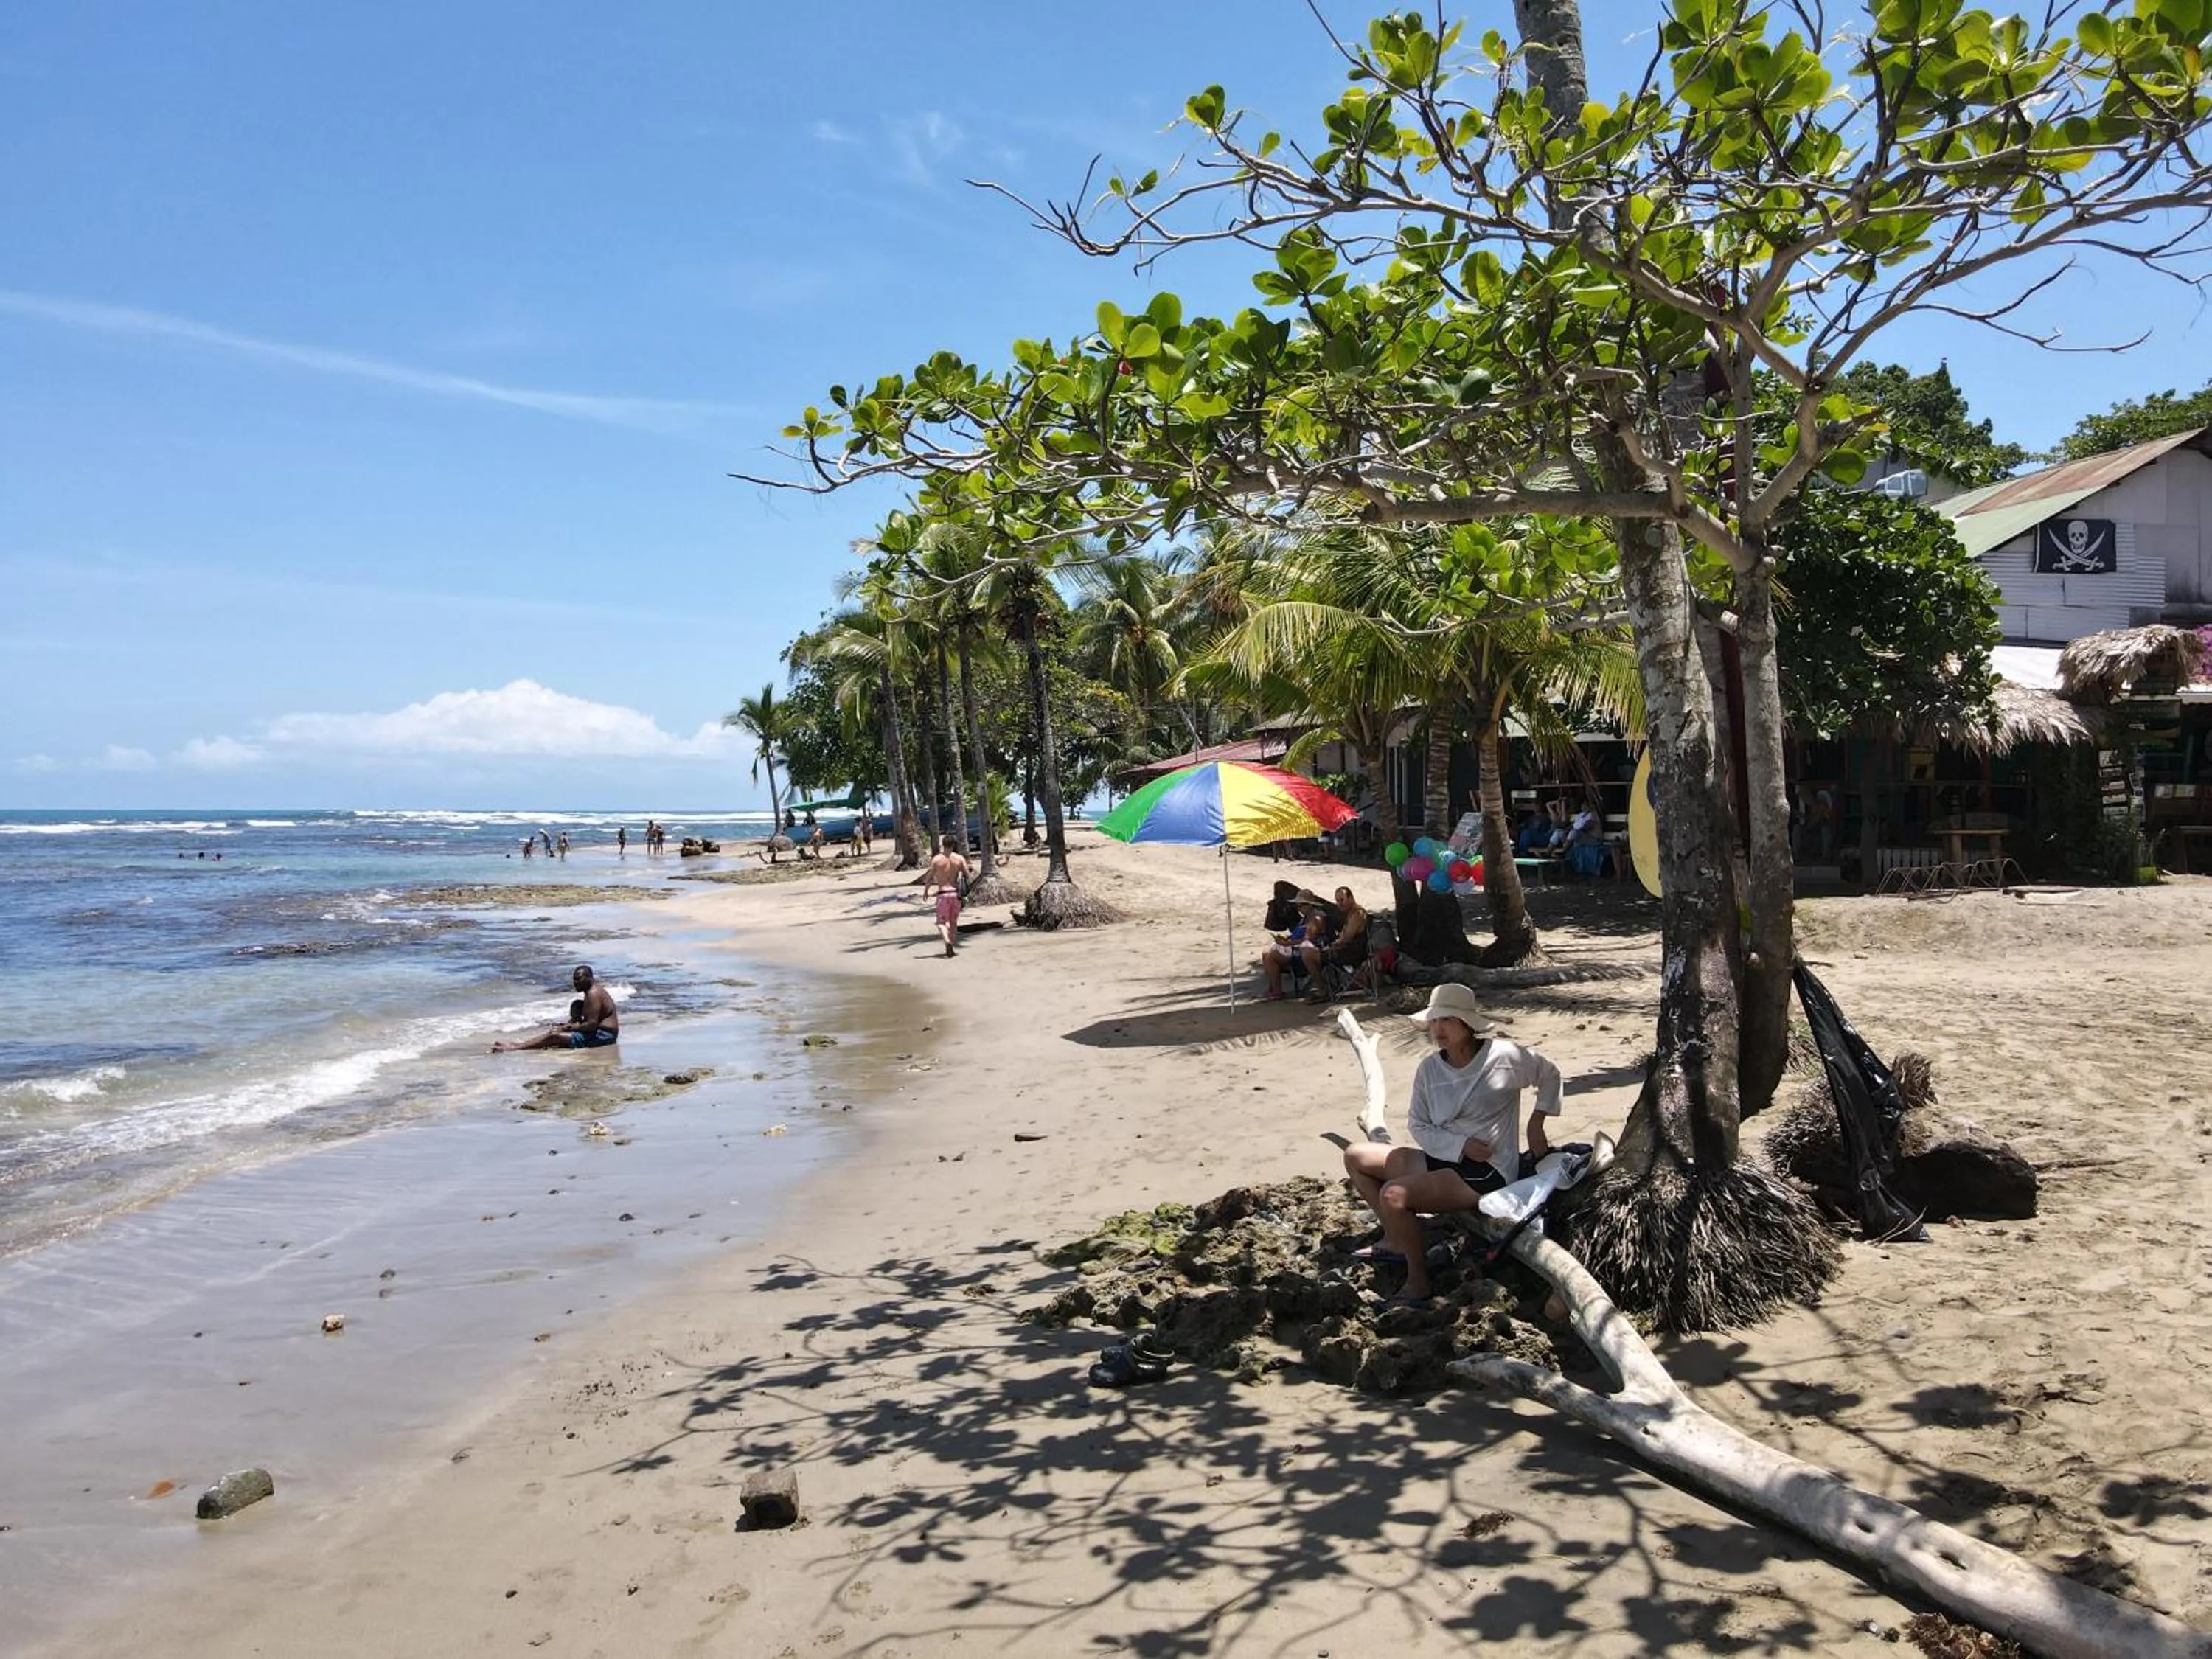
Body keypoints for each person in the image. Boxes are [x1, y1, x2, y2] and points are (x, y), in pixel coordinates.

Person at [1340, 981, 1562, 1307]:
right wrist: (1459, 1146)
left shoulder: (1505, 1057)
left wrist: (1536, 1123)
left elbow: (1551, 1074)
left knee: (1394, 1195)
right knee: (1355, 1155)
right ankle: (1397, 1238)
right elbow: (1418, 1123)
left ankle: (1418, 1282)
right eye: (1434, 1020)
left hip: (1487, 1170)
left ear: (1467, 1024)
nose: (1437, 1028)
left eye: (1447, 1020)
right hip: (1445, 1155)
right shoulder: (1430, 1069)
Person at [493, 965, 620, 1052]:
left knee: (555, 1037)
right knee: (576, 1005)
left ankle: (516, 1048)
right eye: (574, 980)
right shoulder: (590, 993)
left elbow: (592, 1025)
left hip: (604, 1036)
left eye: (579, 979)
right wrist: (569, 1025)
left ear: (590, 978)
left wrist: (569, 1028)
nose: (575, 982)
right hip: (597, 1032)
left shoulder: (593, 994)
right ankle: (520, 1044)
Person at [1300, 885, 1368, 1001]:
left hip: (1350, 954)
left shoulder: (1358, 914)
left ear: (1351, 898)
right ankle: (1326, 987)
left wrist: (1330, 947)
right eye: (1337, 901)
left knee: (1308, 955)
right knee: (1311, 950)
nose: (1340, 904)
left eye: (1342, 900)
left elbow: (1346, 939)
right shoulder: (1351, 914)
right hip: (1345, 951)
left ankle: (1323, 991)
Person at [922, 834, 971, 958]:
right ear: (953, 844)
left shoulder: (937, 859)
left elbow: (929, 878)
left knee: (941, 922)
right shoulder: (959, 859)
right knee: (953, 923)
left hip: (943, 894)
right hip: (955, 894)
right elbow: (967, 875)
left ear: (942, 845)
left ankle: (947, 942)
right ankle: (951, 946)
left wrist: (926, 891)